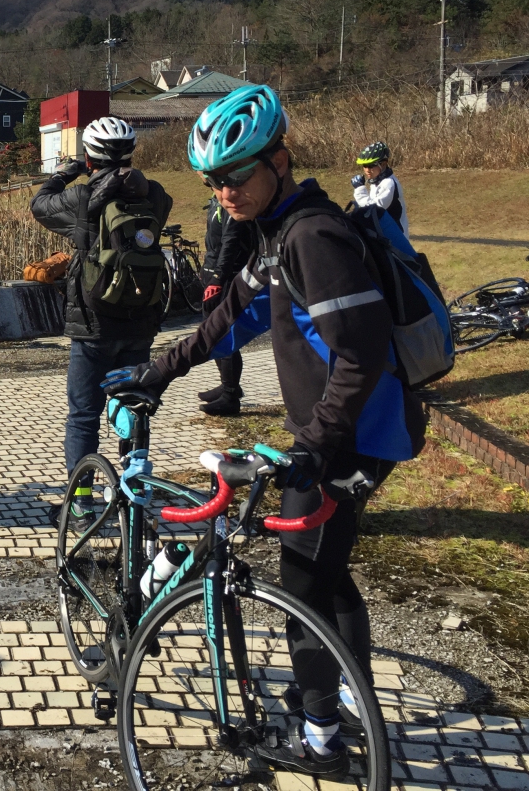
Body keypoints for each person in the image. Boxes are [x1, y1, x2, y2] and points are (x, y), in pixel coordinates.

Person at [103, 85, 425, 776]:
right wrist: (158, 372)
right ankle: (342, 698)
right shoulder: (278, 233)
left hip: (352, 438)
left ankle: (321, 739)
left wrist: (314, 445)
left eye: (238, 175)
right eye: (214, 182)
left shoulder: (313, 237)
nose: (226, 193)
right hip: (343, 433)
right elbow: (229, 319)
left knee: (304, 583)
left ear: (278, 160)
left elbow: (362, 353)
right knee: (328, 574)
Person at [30, 116, 173, 511]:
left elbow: (39, 206)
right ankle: (132, 493)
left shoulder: (81, 198)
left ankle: (80, 503)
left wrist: (65, 174)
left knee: (83, 416)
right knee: (133, 407)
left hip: (93, 324)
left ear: (90, 157)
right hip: (141, 320)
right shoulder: (156, 195)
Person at [197, 195, 255, 416]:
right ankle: (227, 384)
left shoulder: (229, 201)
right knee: (212, 332)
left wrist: (217, 279)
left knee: (223, 333)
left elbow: (230, 242)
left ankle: (230, 396)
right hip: (213, 270)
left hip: (226, 277)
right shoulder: (215, 199)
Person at [351, 140, 407, 233]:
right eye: (365, 165)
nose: (367, 170)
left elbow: (373, 210)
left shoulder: (389, 183)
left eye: (371, 165)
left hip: (396, 235)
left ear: (383, 164)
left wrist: (359, 190)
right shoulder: (377, 181)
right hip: (384, 232)